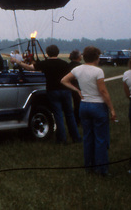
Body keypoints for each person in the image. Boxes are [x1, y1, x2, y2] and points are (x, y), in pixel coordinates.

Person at [61, 46, 117, 176]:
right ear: (96, 58)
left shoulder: (77, 69)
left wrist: (77, 90)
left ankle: (89, 167)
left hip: (84, 106)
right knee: (100, 139)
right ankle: (102, 169)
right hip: (98, 106)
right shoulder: (98, 71)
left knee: (88, 138)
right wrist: (112, 109)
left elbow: (64, 80)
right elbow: (103, 91)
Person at [20, 45, 81, 144]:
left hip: (53, 91)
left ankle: (62, 139)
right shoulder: (65, 63)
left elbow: (29, 67)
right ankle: (76, 138)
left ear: (47, 53)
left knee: (58, 115)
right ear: (58, 52)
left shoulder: (45, 64)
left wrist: (18, 62)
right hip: (66, 91)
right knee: (69, 114)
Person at [67, 49, 82, 125]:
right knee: (78, 104)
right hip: (77, 87)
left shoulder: (68, 65)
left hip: (68, 86)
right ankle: (78, 120)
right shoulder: (80, 66)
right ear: (78, 57)